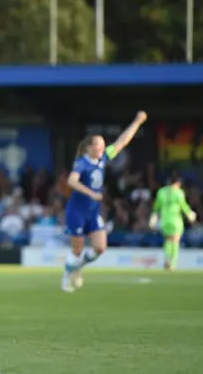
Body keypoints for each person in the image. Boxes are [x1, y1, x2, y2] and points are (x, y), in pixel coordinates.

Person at [62, 111, 147, 293]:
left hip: (92, 212)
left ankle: (76, 268)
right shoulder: (82, 163)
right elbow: (71, 181)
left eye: (103, 145)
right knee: (77, 249)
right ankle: (67, 276)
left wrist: (137, 122)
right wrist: (91, 193)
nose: (103, 148)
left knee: (100, 248)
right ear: (89, 148)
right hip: (77, 211)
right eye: (99, 145)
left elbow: (122, 142)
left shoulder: (102, 159)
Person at [149, 175, 196, 271]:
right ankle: (173, 263)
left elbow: (156, 206)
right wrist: (190, 214)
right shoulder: (179, 193)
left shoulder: (161, 192)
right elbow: (183, 206)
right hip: (175, 220)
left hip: (165, 220)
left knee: (167, 240)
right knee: (175, 240)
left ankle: (167, 259)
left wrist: (153, 217)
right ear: (178, 183)